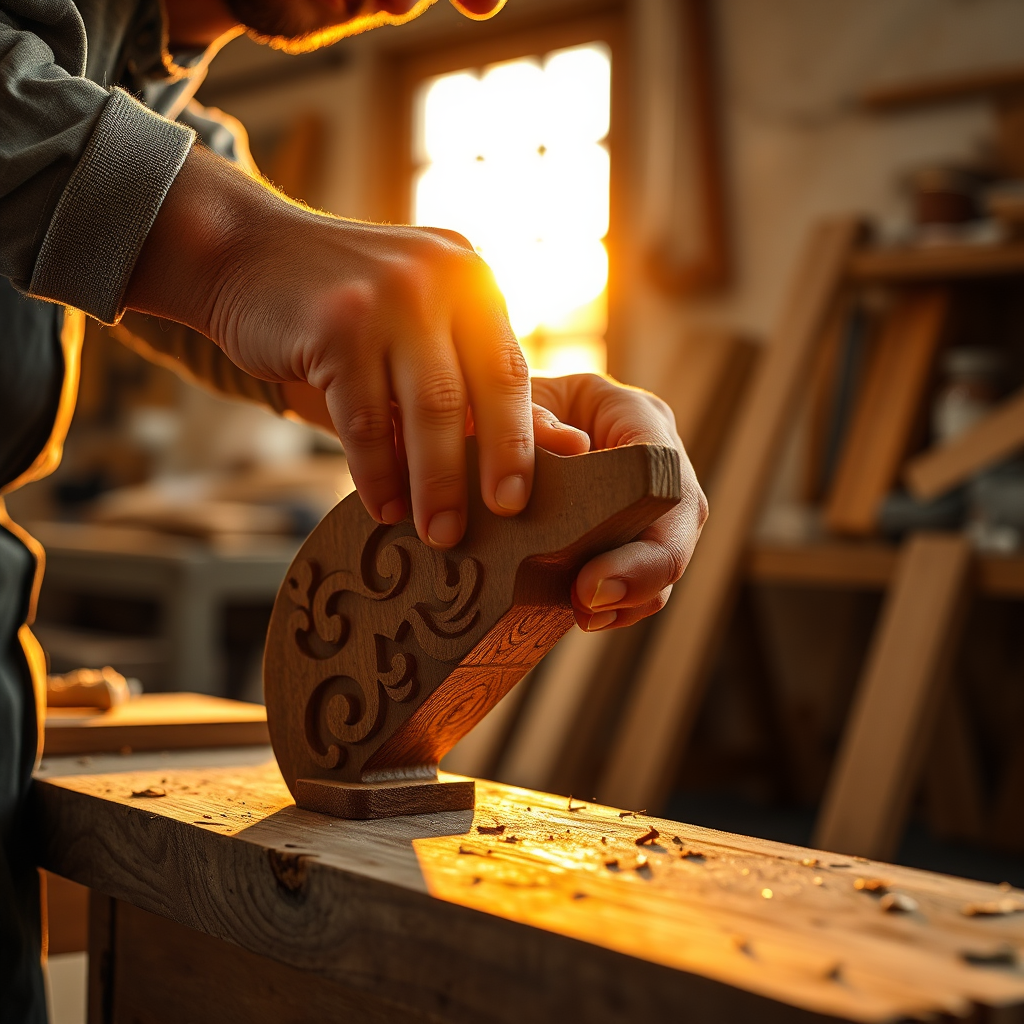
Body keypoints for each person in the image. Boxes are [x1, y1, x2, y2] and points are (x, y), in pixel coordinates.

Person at [0, 0, 707, 1018]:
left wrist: (486, 416)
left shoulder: (136, 71)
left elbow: (119, 186)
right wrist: (224, 239)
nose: (477, 3)